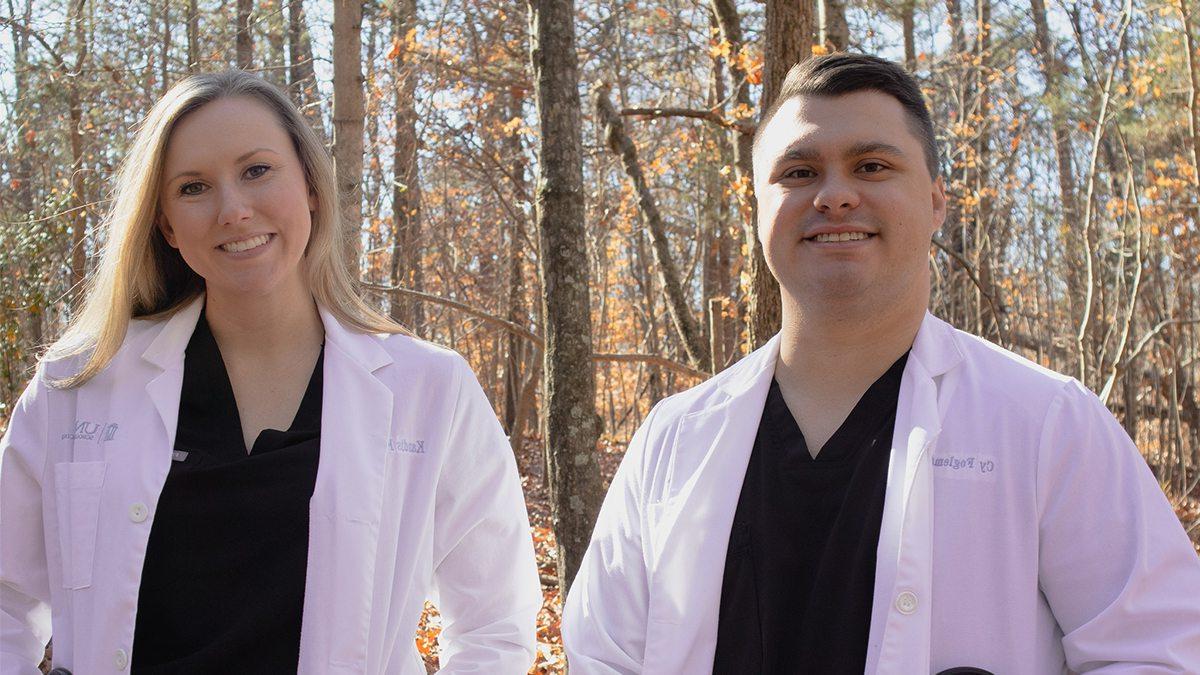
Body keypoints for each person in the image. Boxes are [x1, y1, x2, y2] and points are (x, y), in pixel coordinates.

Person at [562, 54, 1200, 674]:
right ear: (756, 211)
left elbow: (1160, 650)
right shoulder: (673, 441)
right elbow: (603, 658)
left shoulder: (1048, 423)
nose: (835, 197)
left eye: (871, 165)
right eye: (798, 172)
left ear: (936, 201)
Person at [0, 70, 540, 674]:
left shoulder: (427, 389)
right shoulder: (78, 386)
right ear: (166, 225)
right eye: (193, 187)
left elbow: (496, 622)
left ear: (310, 185)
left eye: (257, 170)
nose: (234, 209)